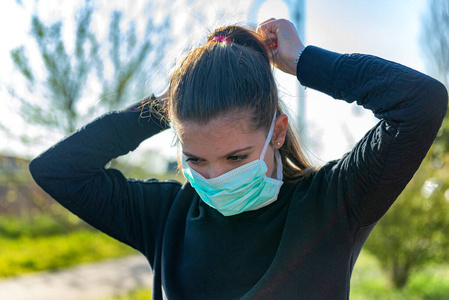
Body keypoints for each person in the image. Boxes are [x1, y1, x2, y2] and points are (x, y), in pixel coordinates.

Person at [29, 18, 447, 299]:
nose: (215, 177)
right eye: (195, 159)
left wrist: (304, 62)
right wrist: (165, 104)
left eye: (236, 156)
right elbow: (57, 171)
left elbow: (420, 103)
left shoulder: (333, 203)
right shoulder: (166, 217)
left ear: (276, 133)